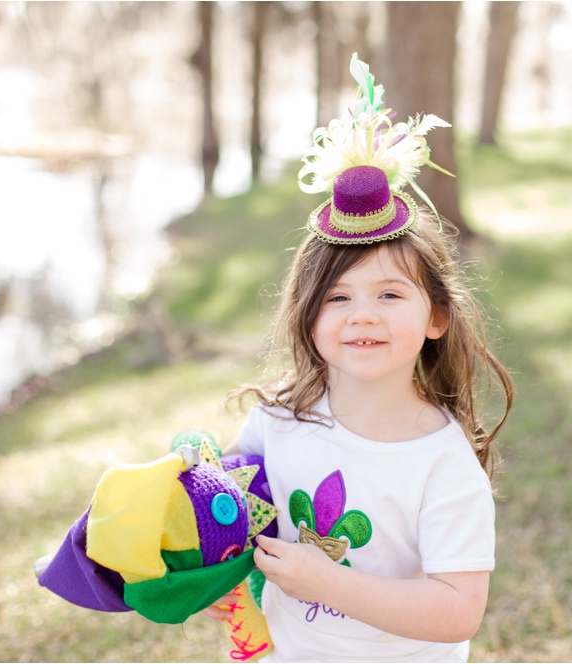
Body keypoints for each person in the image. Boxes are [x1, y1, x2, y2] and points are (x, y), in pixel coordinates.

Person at [203, 54, 515, 662]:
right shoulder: (278, 418)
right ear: (308, 315)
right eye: (338, 297)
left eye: (390, 294)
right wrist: (223, 570)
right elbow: (234, 508)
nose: (362, 315)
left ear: (436, 317)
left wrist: (327, 583)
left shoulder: (442, 463)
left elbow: (457, 610)